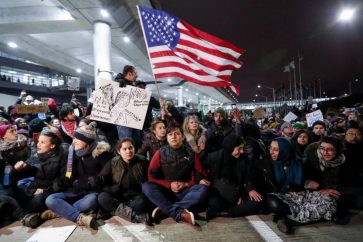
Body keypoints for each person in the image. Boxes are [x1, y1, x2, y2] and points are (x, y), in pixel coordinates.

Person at [45, 122, 113, 229]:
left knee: (90, 202)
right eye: (74, 138)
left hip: (91, 192)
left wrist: (85, 182)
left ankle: (61, 211)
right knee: (50, 199)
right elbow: (68, 176)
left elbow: (104, 178)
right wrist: (61, 181)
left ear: (86, 140)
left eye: (77, 138)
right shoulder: (73, 154)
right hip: (74, 191)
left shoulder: (102, 154)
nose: (74, 141)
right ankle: (77, 215)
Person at [142, 124, 209, 225]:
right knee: (146, 186)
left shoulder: (191, 152)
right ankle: (178, 213)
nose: (173, 136)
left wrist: (186, 184)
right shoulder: (160, 153)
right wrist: (169, 185)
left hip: (185, 192)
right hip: (167, 192)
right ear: (167, 138)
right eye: (170, 134)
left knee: (203, 189)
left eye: (177, 134)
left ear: (182, 137)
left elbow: (201, 172)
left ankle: (167, 210)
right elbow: (151, 177)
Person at [10, 129, 66, 228]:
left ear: (52, 145)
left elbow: (63, 180)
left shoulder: (61, 157)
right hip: (36, 188)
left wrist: (45, 189)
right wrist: (16, 170)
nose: (38, 145)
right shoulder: (36, 156)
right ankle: (28, 215)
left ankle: (30, 216)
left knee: (38, 201)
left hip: (52, 190)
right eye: (38, 141)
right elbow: (20, 176)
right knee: (12, 194)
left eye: (42, 142)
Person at [203, 134, 264, 220]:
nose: (242, 151)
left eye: (242, 148)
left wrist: (249, 189)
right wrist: (201, 179)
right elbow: (201, 171)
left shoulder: (244, 158)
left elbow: (249, 176)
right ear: (230, 147)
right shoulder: (214, 158)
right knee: (213, 202)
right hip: (220, 194)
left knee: (258, 202)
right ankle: (236, 210)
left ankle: (222, 213)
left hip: (240, 192)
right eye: (239, 148)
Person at [98, 138, 151, 224]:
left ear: (134, 148)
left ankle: (114, 211)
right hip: (118, 196)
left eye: (130, 148)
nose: (128, 151)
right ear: (119, 151)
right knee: (102, 197)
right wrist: (110, 189)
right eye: (125, 149)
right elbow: (101, 178)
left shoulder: (142, 161)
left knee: (142, 201)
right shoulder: (113, 162)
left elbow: (150, 179)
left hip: (135, 196)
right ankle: (134, 215)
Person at [339, 122, 363, 209]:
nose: (354, 136)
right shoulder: (338, 150)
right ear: (345, 135)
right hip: (345, 185)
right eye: (351, 133)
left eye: (358, 134)